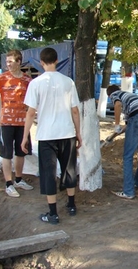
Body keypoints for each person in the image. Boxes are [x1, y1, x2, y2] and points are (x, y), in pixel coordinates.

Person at [21, 47, 81, 224]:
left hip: (47, 135)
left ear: (41, 62)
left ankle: (53, 213)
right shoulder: (68, 82)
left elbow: (31, 113)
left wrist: (25, 136)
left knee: (48, 172)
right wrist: (78, 133)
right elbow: (75, 111)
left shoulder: (35, 83)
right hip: (67, 133)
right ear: (56, 61)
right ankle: (71, 205)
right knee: (69, 169)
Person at [0, 49, 33, 198]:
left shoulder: (27, 80)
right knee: (6, 154)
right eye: (7, 62)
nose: (8, 65)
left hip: (23, 123)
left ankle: (18, 179)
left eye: (11, 62)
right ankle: (8, 184)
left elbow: (33, 99)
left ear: (19, 62)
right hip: (6, 122)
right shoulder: (2, 78)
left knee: (21, 152)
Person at [107, 84, 138, 199]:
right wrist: (113, 136)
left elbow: (117, 105)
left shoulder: (114, 94)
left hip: (137, 118)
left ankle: (128, 191)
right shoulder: (129, 96)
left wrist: (116, 124)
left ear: (109, 95)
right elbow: (129, 125)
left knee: (127, 156)